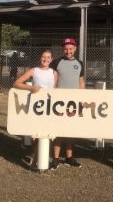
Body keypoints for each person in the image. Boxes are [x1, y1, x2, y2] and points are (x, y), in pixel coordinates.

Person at [13, 49, 58, 169]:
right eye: (44, 57)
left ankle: (39, 159)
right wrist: (31, 89)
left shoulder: (54, 73)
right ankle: (34, 159)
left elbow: (55, 91)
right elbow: (17, 83)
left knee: (47, 134)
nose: (46, 59)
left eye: (48, 57)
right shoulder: (34, 70)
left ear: (51, 59)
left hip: (49, 107)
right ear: (40, 58)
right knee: (37, 135)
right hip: (36, 108)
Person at [49, 37, 85, 170]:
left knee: (70, 130)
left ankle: (69, 157)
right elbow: (50, 80)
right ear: (62, 49)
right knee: (58, 130)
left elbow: (81, 82)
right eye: (65, 48)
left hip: (73, 103)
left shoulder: (80, 63)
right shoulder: (56, 62)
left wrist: (81, 101)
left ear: (75, 49)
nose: (68, 51)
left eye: (70, 48)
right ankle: (56, 158)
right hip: (58, 103)